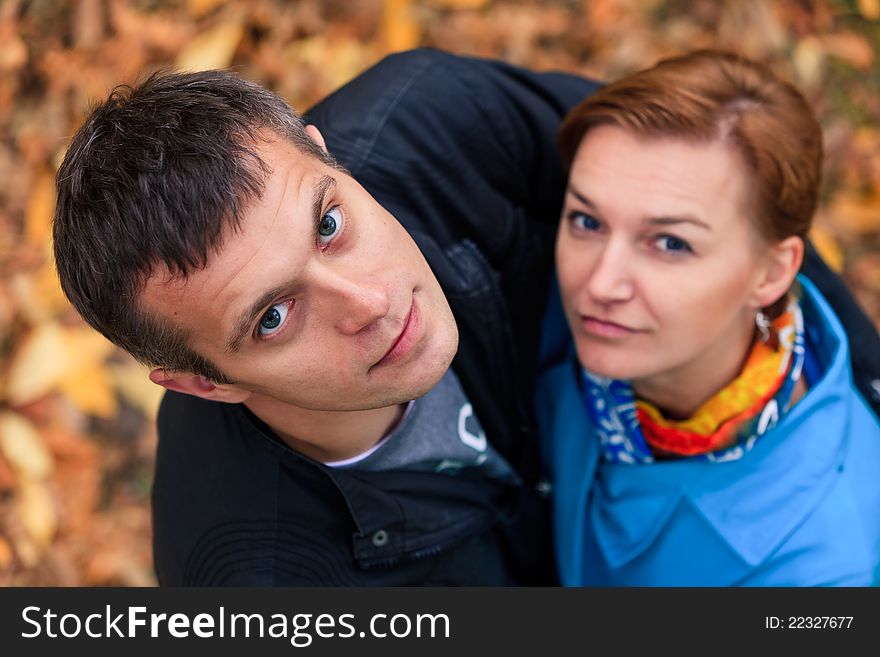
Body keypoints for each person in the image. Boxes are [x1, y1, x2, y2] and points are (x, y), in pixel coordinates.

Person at [53, 49, 878, 586]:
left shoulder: (440, 126)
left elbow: (724, 194)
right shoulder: (260, 582)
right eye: (273, 316)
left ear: (326, 151)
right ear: (203, 380)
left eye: (329, 224)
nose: (373, 304)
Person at [536, 50, 880, 586]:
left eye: (670, 243)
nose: (600, 285)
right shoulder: (542, 301)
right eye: (587, 220)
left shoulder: (822, 567)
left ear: (771, 272)